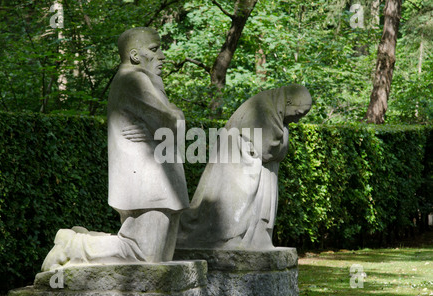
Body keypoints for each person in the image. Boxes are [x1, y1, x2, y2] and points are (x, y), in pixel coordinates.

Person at [41, 27, 189, 271]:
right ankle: (73, 246)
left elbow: (170, 126)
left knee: (157, 260)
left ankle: (81, 239)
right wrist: (171, 121)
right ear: (134, 55)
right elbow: (171, 122)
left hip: (160, 185)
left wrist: (167, 125)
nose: (162, 56)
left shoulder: (147, 81)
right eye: (154, 49)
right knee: (143, 255)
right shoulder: (133, 79)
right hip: (148, 187)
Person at [177, 84, 311, 250]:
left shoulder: (274, 110)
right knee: (233, 204)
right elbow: (267, 150)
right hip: (238, 169)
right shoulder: (264, 109)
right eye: (298, 114)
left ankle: (255, 236)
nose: (297, 120)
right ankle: (232, 236)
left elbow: (273, 150)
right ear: (289, 103)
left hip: (250, 166)